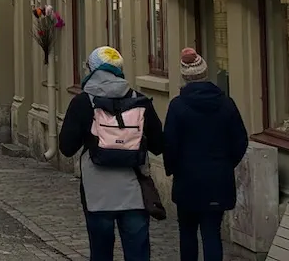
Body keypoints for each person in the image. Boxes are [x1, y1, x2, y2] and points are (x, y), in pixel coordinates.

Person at [59, 46, 165, 261]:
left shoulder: (82, 102)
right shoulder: (140, 100)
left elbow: (66, 147)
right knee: (138, 254)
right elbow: (158, 145)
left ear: (91, 70)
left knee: (100, 253)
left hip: (97, 192)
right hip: (134, 190)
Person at [164, 48, 248, 261]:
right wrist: (227, 163)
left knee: (188, 232)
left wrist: (173, 168)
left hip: (188, 179)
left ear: (185, 77)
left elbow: (170, 144)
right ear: (205, 73)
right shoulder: (226, 104)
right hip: (218, 178)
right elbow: (240, 140)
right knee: (212, 233)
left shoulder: (178, 106)